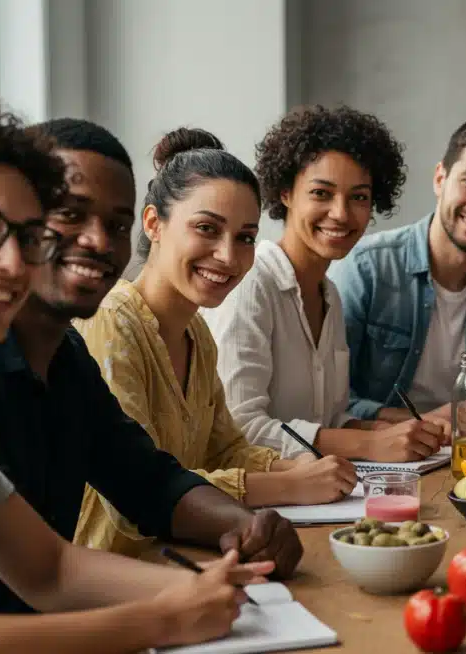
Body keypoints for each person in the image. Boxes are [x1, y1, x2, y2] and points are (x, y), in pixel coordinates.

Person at [0, 95, 273, 652]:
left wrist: (206, 586)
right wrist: (165, 617)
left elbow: (49, 570)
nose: (13, 261)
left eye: (26, 236)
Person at [71, 127, 357, 556]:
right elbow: (137, 492)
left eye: (244, 237)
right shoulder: (111, 325)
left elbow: (225, 447)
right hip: (118, 572)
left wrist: (299, 467)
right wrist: (286, 484)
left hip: (188, 553)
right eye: (207, 228)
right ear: (154, 224)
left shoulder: (197, 333)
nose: (228, 255)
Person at [204, 105, 446, 463]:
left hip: (320, 497)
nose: (341, 213)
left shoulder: (328, 293)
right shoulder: (252, 283)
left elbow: (326, 420)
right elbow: (241, 427)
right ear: (285, 191)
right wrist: (370, 446)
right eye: (321, 193)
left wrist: (384, 432)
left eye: (359, 197)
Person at [333, 116, 466, 434]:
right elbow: (331, 403)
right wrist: (425, 422)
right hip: (380, 460)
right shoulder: (366, 268)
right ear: (440, 179)